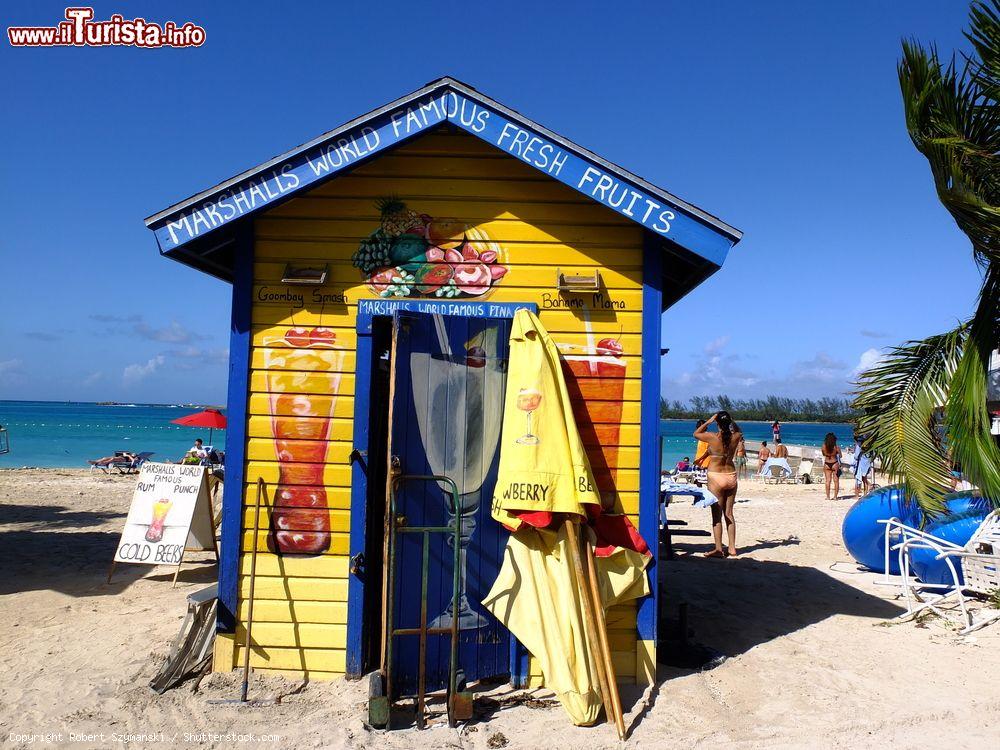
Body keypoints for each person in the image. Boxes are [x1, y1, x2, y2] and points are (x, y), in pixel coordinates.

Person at [694, 411, 742, 557]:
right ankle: (732, 548)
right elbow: (738, 429)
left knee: (717, 515)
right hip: (731, 476)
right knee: (729, 514)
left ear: (717, 423)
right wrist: (729, 421)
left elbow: (696, 433)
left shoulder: (712, 437)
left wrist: (709, 421)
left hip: (716, 476)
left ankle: (719, 549)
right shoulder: (736, 436)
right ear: (729, 422)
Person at [821, 432, 843, 501]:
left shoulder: (824, 446)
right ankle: (835, 497)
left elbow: (824, 454)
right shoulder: (836, 447)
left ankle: (828, 497)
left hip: (827, 463)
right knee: (836, 481)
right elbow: (841, 456)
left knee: (828, 481)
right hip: (835, 463)